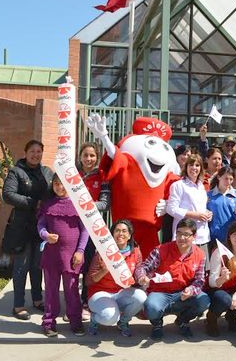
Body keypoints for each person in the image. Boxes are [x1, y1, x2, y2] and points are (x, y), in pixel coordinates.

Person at [2, 139, 54, 320]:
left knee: (37, 265)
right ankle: (18, 305)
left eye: (39, 151)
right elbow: (8, 195)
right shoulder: (16, 172)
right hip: (22, 228)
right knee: (21, 267)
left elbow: (56, 190)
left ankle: (38, 300)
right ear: (26, 152)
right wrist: (34, 203)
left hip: (42, 227)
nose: (35, 154)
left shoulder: (47, 172)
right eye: (32, 151)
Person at [136, 218, 211, 340]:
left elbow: (200, 280)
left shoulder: (200, 255)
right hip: (160, 292)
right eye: (179, 233)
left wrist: (191, 290)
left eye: (186, 234)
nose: (181, 238)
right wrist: (142, 276)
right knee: (151, 307)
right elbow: (144, 267)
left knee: (204, 301)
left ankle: (182, 321)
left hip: (182, 293)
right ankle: (157, 324)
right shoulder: (161, 250)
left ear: (194, 237)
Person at [37, 175, 89, 337]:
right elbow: (41, 225)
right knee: (51, 291)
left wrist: (80, 251)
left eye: (63, 184)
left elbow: (85, 231)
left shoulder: (78, 205)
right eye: (56, 184)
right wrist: (45, 235)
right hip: (51, 256)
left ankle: (76, 322)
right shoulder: (48, 205)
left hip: (72, 257)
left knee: (72, 291)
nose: (59, 187)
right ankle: (49, 322)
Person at [86, 219, 147, 337]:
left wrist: (142, 278)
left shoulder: (136, 252)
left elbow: (139, 270)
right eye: (117, 231)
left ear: (129, 235)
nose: (121, 234)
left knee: (141, 297)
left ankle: (123, 322)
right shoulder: (103, 252)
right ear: (112, 234)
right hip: (100, 293)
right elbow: (88, 281)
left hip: (121, 292)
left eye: (124, 231)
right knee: (109, 318)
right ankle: (95, 318)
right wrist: (104, 270)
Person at [78, 142, 111, 321]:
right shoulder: (72, 175)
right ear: (80, 156)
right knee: (72, 266)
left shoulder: (103, 176)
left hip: (92, 229)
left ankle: (85, 303)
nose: (89, 159)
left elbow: (105, 204)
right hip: (72, 226)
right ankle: (72, 303)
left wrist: (85, 207)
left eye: (92, 156)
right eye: (85, 155)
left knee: (88, 266)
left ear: (97, 158)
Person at [205, 220, 236, 336]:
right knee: (224, 300)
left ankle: (231, 316)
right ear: (229, 236)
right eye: (234, 234)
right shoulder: (219, 252)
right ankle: (211, 318)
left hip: (235, 289)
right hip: (218, 289)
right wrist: (222, 278)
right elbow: (212, 282)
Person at [166, 154, 213, 261]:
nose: (194, 168)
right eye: (191, 165)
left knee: (201, 272)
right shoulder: (178, 185)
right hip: (185, 237)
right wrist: (194, 215)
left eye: (197, 165)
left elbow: (200, 207)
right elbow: (171, 208)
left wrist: (207, 213)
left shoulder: (201, 186)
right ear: (186, 167)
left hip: (202, 235)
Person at [207, 166, 236, 244]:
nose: (228, 182)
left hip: (232, 240)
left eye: (231, 179)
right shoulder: (209, 195)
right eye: (226, 178)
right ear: (219, 177)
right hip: (214, 239)